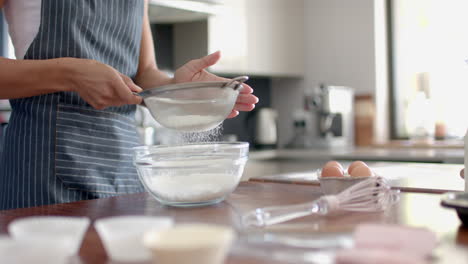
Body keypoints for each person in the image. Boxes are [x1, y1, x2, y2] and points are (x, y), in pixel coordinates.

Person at [0, 0, 258, 210]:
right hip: (44, 165)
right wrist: (70, 73)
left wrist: (179, 90)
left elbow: (143, 72)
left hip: (124, 166)